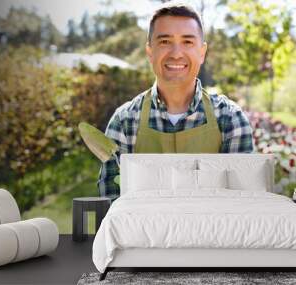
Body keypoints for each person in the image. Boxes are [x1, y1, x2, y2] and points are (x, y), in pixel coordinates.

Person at [97, 3, 254, 199]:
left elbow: (243, 204)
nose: (176, 53)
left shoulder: (230, 119)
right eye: (165, 42)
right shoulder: (124, 122)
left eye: (187, 42)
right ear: (150, 52)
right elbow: (112, 204)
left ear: (202, 52)